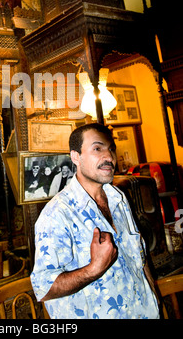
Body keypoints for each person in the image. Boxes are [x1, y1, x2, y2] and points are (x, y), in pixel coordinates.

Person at [30, 123, 159, 319]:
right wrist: (94, 269)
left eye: (111, 149)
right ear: (76, 157)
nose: (109, 157)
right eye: (97, 149)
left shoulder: (118, 198)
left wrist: (156, 300)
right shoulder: (57, 215)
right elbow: (44, 288)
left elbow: (139, 256)